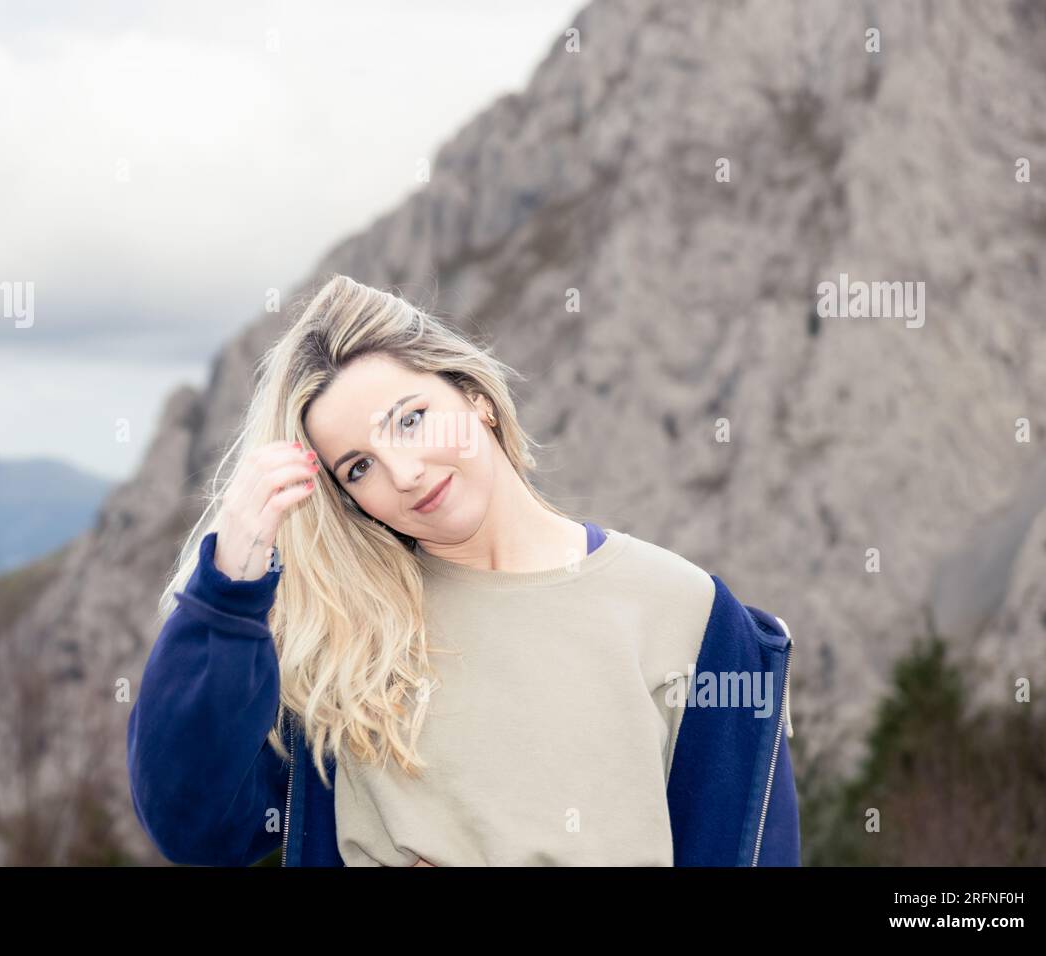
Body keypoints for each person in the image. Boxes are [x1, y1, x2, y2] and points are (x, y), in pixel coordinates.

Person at [127, 273, 799, 866]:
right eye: (358, 467)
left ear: (474, 395)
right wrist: (228, 590)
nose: (406, 473)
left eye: (411, 421)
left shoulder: (690, 616)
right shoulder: (343, 643)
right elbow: (197, 828)